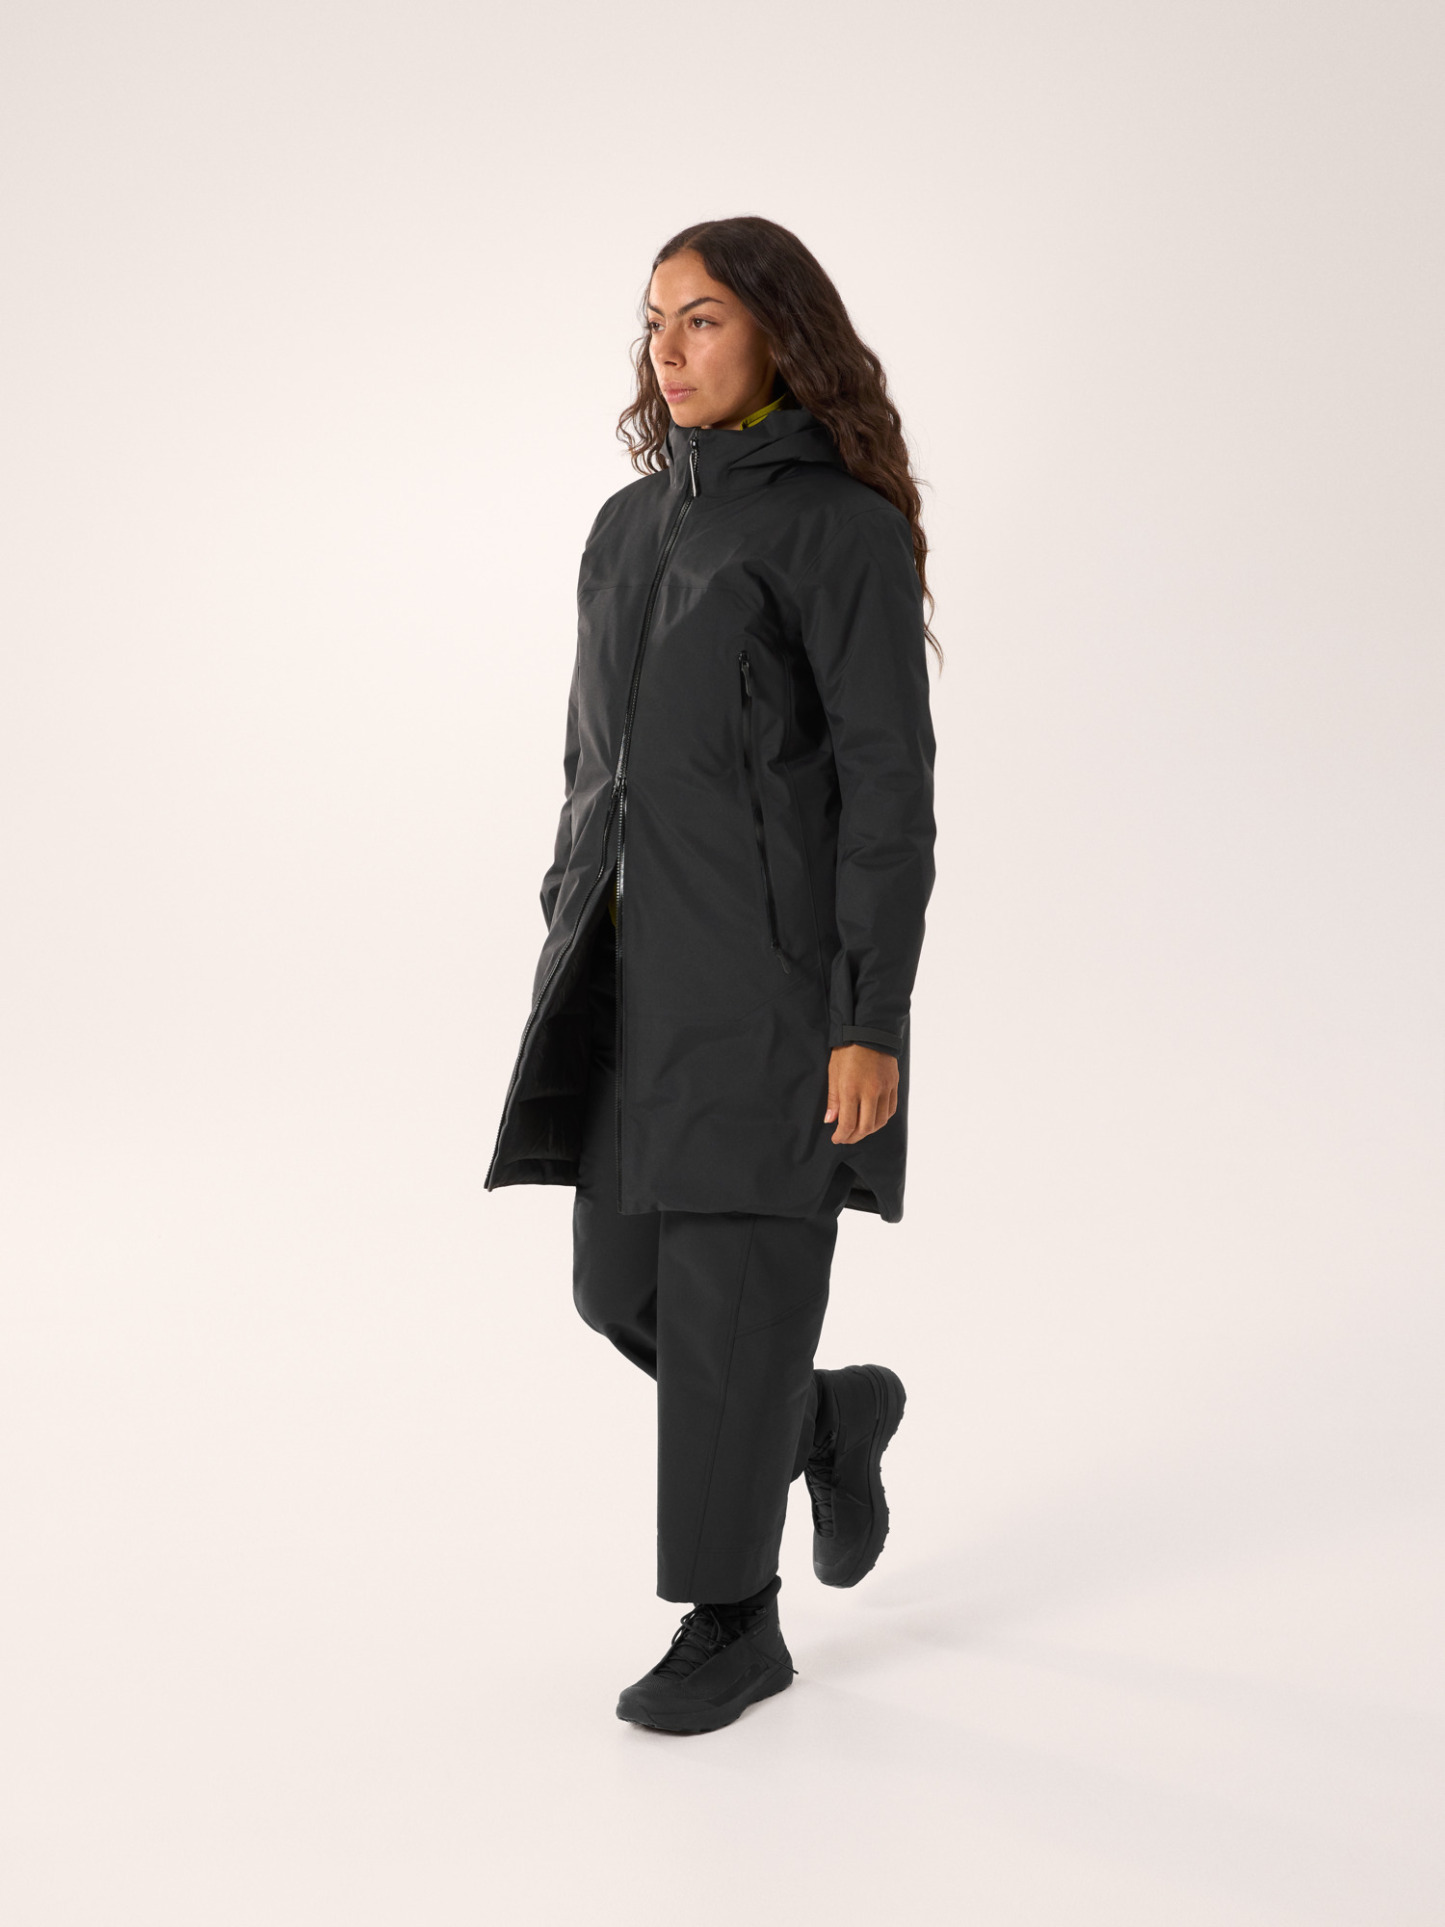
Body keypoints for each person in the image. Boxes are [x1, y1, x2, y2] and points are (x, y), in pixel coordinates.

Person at [485, 215, 938, 1733]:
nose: (667, 351)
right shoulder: (627, 528)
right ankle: (823, 1416)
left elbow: (887, 793)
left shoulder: (837, 530)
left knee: (736, 1293)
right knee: (617, 1287)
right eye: (655, 321)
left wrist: (868, 1018)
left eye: (703, 321)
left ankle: (733, 1622)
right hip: (627, 980)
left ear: (778, 337)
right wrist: (567, 917)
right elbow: (588, 763)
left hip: (772, 996)